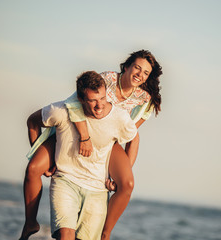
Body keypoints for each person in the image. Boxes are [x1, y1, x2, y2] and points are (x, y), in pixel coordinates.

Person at [20, 50, 163, 240]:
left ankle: (105, 233)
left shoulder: (145, 99)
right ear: (126, 66)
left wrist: (117, 172)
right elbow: (73, 103)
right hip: (78, 128)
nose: (140, 74)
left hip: (108, 138)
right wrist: (84, 136)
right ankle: (30, 222)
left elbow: (132, 135)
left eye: (146, 72)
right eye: (137, 68)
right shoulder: (106, 79)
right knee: (33, 168)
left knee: (127, 184)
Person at [26, 71, 138, 239]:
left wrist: (122, 173)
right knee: (66, 236)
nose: (99, 106)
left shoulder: (119, 117)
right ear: (79, 99)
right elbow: (32, 121)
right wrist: (41, 155)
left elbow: (134, 137)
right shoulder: (62, 111)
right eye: (92, 101)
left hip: (97, 189)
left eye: (101, 98)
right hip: (66, 181)